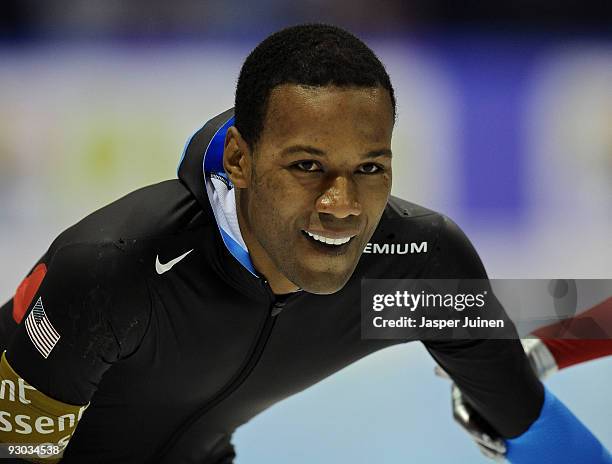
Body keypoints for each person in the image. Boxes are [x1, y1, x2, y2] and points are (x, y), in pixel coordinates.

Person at [0, 24, 609, 464]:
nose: (341, 204)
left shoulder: (414, 271)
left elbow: (533, 428)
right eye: (306, 167)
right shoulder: (115, 271)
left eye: (370, 169)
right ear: (240, 159)